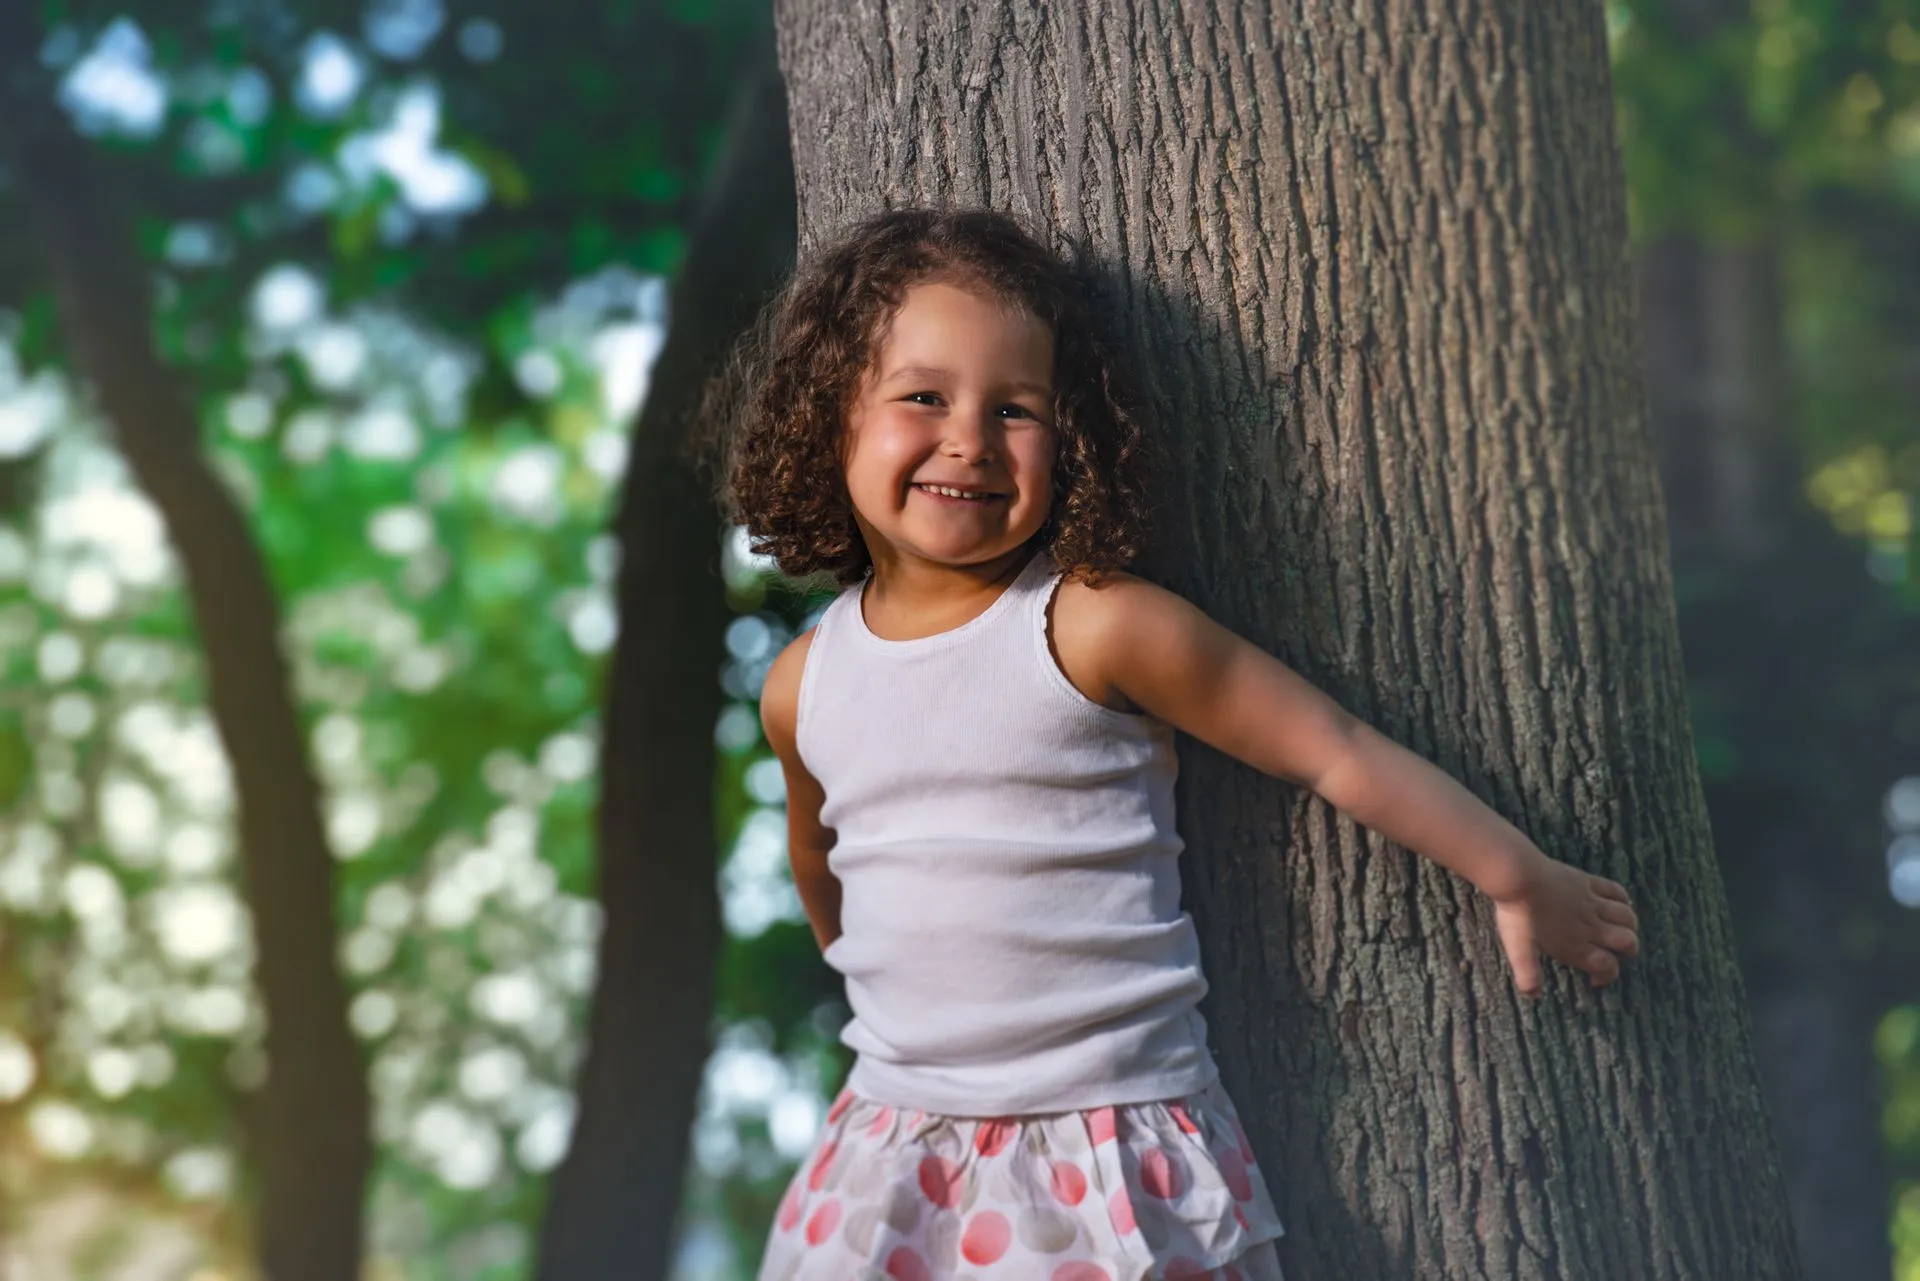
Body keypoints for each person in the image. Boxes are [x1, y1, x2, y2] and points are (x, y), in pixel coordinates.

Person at [706, 207, 1641, 1281]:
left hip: (1104, 1150)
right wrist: (884, 978)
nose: (968, 437)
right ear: (832, 417)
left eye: (1018, 410)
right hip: (893, 1147)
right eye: (923, 396)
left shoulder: (1092, 624)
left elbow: (1329, 747)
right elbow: (819, 856)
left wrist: (1515, 874)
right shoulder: (804, 682)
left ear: (1073, 442)